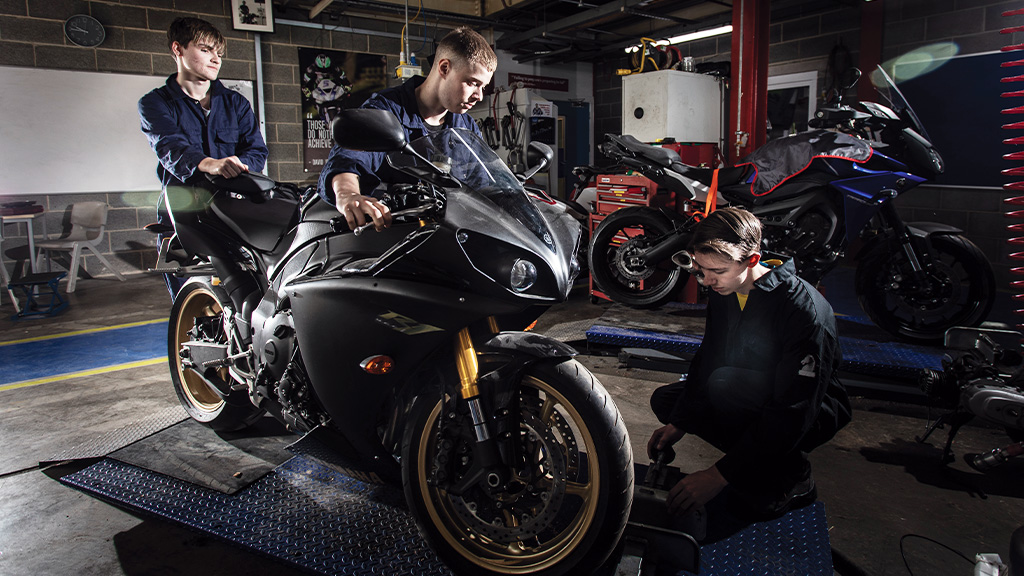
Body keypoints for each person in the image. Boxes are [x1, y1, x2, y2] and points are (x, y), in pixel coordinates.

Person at [647, 207, 851, 520]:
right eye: (701, 270)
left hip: (809, 407)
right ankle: (758, 463)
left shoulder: (802, 309)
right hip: (749, 386)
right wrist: (681, 422)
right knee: (668, 401)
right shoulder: (725, 289)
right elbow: (710, 355)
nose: (707, 280)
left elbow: (794, 407)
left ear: (752, 260)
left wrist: (719, 475)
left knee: (724, 385)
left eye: (717, 271)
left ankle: (795, 477)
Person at [317, 26, 497, 232]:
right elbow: (349, 158)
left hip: (446, 239)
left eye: (483, 87)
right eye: (473, 83)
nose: (479, 96)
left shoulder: (465, 127)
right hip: (389, 237)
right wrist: (348, 194)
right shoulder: (386, 109)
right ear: (445, 68)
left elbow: (484, 182)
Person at [138, 17, 268, 296]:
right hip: (183, 211)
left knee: (245, 294)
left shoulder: (236, 103)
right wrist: (213, 165)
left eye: (219, 54)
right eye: (206, 50)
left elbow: (257, 150)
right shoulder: (155, 103)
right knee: (192, 297)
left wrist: (241, 167)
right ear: (178, 49)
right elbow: (170, 147)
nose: (215, 59)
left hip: (234, 210)